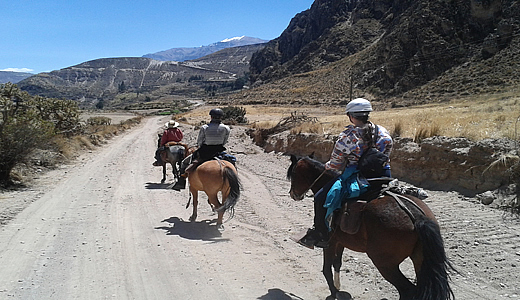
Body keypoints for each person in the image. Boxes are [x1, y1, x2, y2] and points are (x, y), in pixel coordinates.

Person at [298, 98, 393, 249]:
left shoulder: (346, 137)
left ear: (351, 116)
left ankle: (321, 235)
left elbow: (336, 165)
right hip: (383, 175)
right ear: (367, 114)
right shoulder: (383, 132)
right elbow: (386, 154)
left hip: (359, 177)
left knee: (320, 197)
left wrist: (328, 166)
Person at [172, 108, 231, 191]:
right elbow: (225, 141)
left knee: (184, 163)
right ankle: (233, 182)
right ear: (221, 117)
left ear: (211, 117)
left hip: (205, 151)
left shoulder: (205, 127)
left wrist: (200, 145)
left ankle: (181, 183)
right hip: (219, 150)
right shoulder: (226, 128)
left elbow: (200, 141)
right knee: (231, 162)